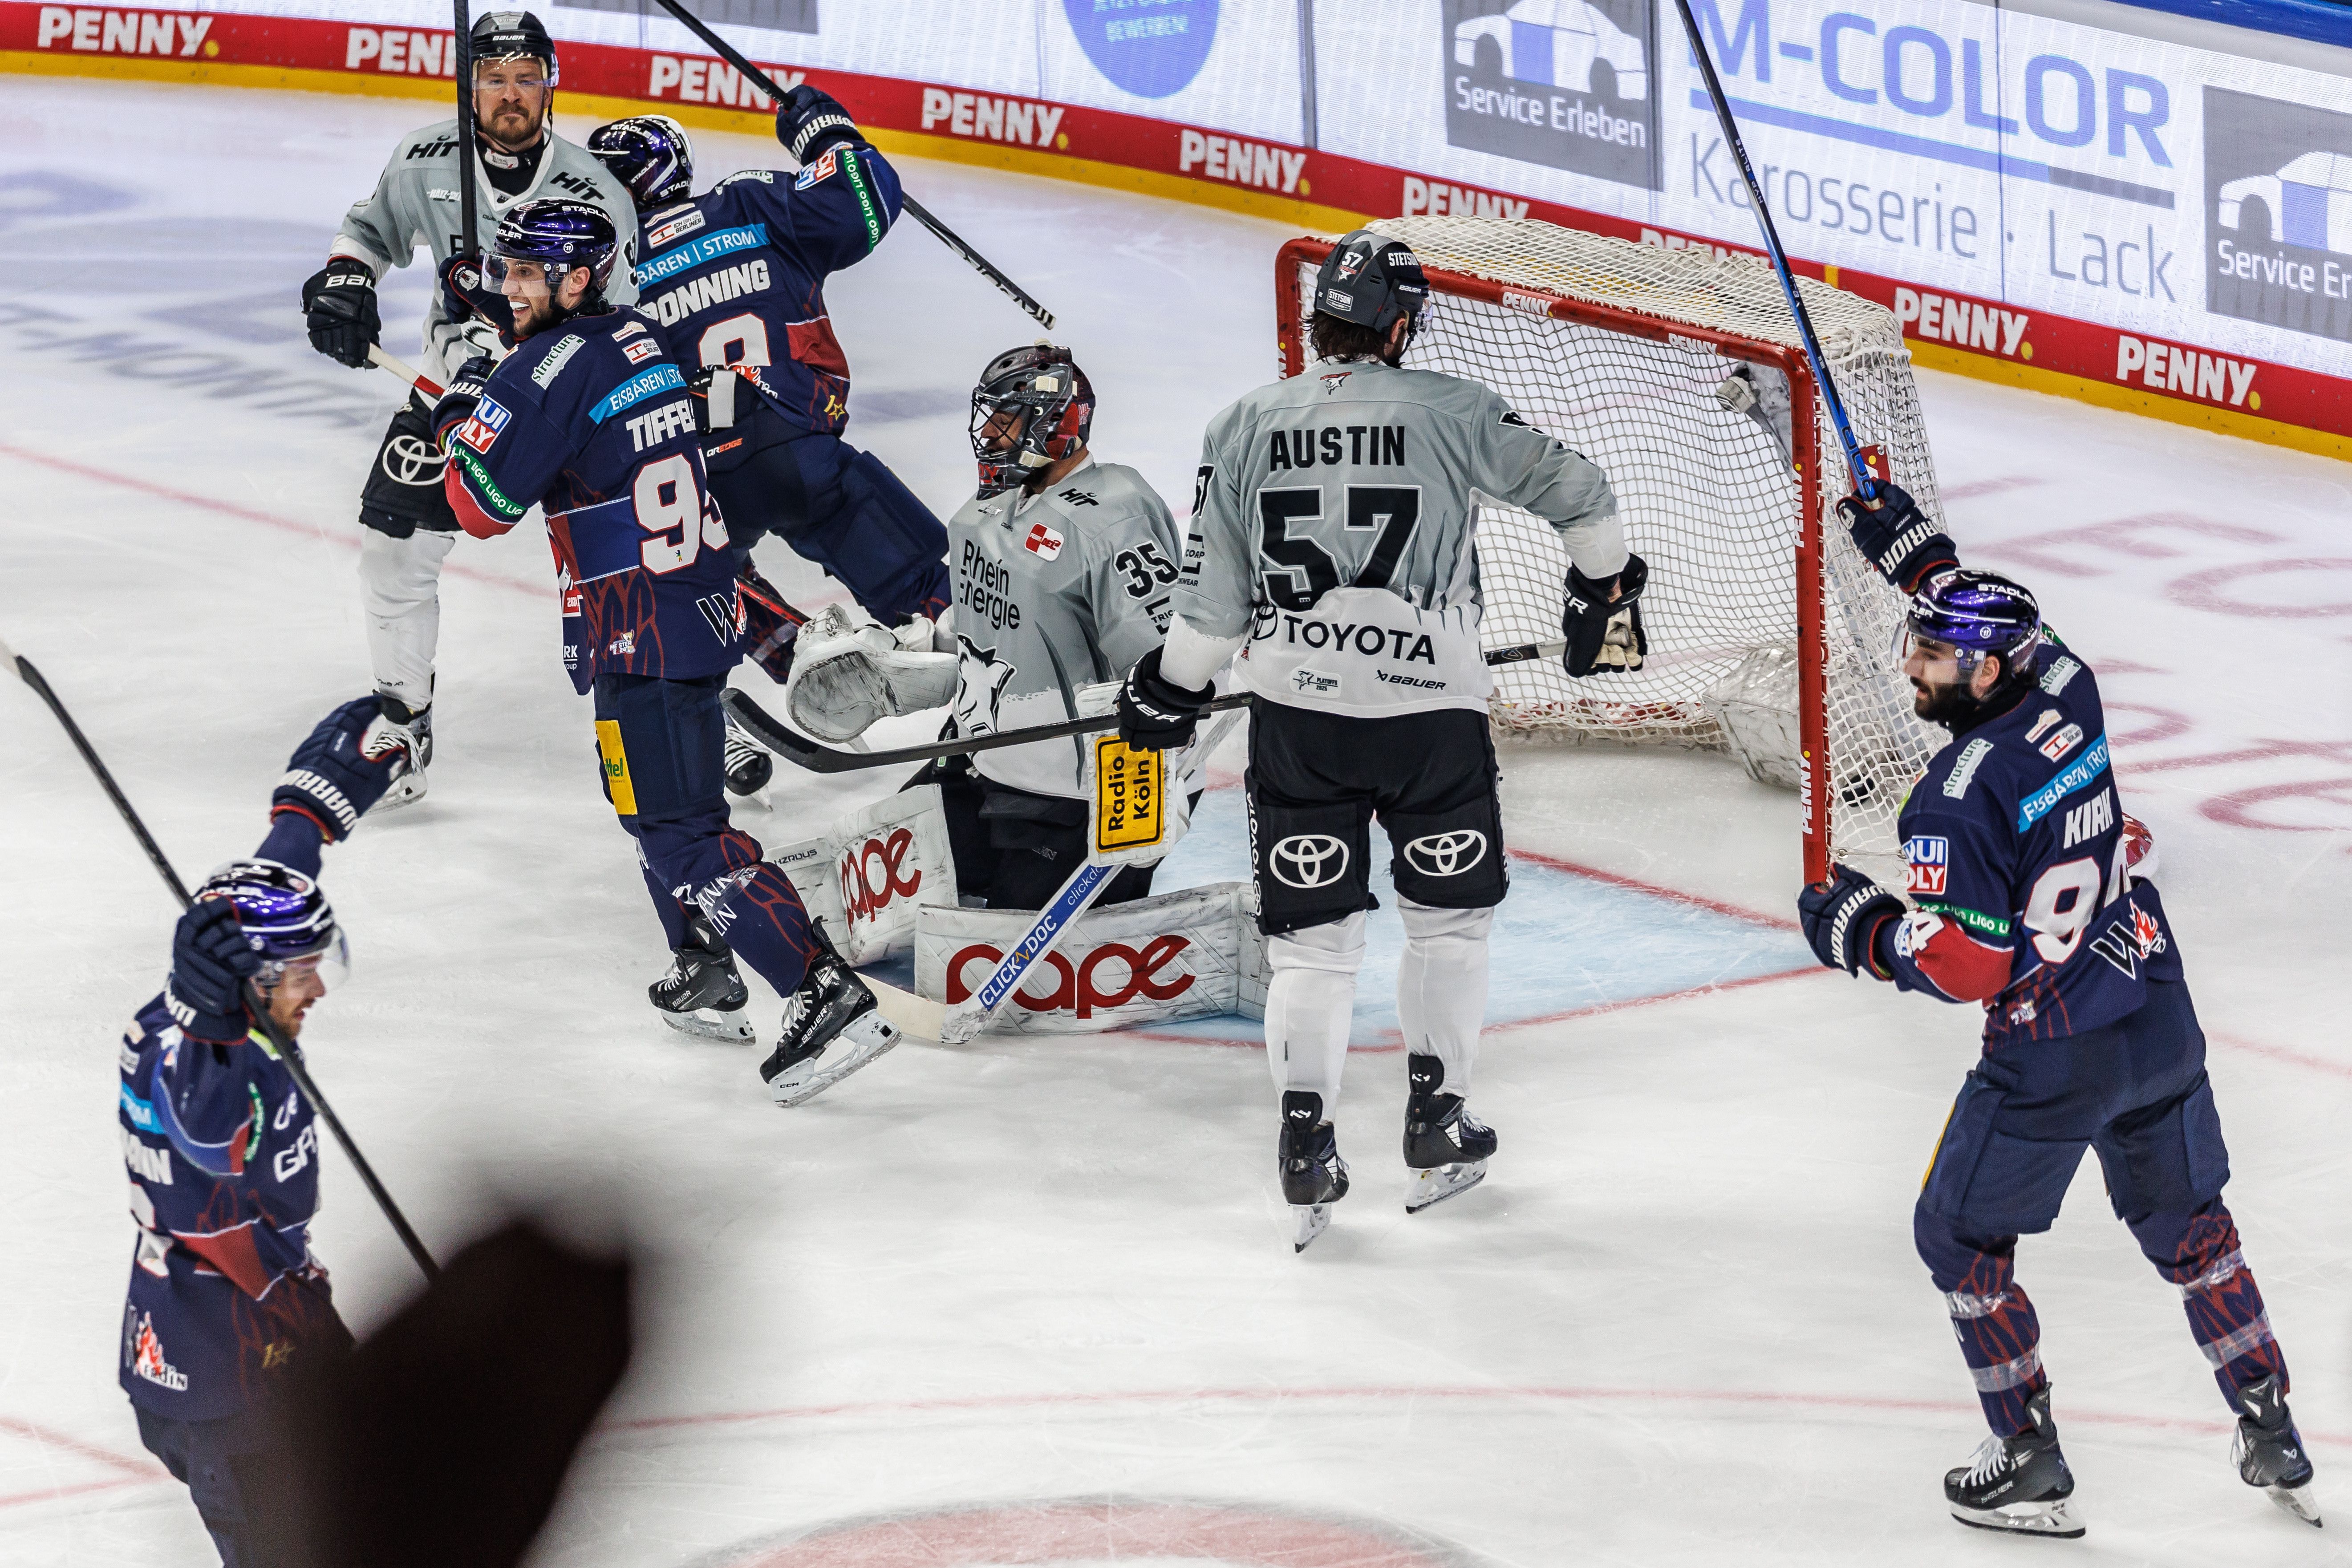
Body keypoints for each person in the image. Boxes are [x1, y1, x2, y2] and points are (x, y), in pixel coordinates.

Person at [1799, 488, 2320, 1536]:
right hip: (2152, 1006)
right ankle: (2266, 1419)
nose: (1910, 665)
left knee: (1953, 1236)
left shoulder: (1950, 795)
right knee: (2192, 1232)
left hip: (2049, 1053)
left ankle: (2026, 1455)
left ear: (1984, 671)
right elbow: (2018, 639)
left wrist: (1860, 931)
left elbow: (1964, 963)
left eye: (1930, 655)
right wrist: (1916, 558)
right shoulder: (2068, 688)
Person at [1114, 230, 1638, 1251]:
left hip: (1296, 724)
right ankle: (1435, 1119)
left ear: (1317, 321)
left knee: (1310, 949)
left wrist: (1166, 690)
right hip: (1429, 720)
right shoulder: (1453, 409)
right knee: (1447, 927)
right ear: (1401, 326)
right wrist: (1600, 586)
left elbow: (1210, 609)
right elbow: (1584, 499)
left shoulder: (1241, 423)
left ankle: (1304, 1139)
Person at [427, 196, 895, 1106]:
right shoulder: (633, 336)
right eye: (508, 270)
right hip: (684, 611)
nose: (507, 285)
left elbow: (476, 507)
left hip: (643, 628)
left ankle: (818, 990)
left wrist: (461, 419)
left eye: (526, 273)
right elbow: (571, 390)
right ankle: (703, 967)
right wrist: (505, 352)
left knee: (680, 832)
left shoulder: (543, 369)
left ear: (573, 279)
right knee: (642, 802)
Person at [300, 11, 639, 807]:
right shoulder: (425, 159)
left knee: (641, 547)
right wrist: (346, 279)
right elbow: (368, 231)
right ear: (469, 88)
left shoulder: (595, 189)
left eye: (526, 79)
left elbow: (622, 322)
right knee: (393, 546)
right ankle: (402, 721)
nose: (510, 96)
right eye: (492, 80)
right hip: (450, 383)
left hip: (568, 395)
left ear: (551, 85)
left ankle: (705, 707)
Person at [118, 697, 414, 1565]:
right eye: (301, 976)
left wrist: (308, 814)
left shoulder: (214, 1015)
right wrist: (215, 1023)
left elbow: (262, 901)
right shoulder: (203, 1075)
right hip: (233, 1389)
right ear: (243, 985)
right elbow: (203, 1116)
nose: (316, 992)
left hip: (266, 1336)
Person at [583, 106, 950, 646]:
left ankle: (793, 656)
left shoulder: (601, 273)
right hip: (796, 447)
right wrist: (822, 128)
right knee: (919, 586)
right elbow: (867, 196)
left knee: (707, 584)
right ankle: (965, 652)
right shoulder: (746, 200)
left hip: (692, 478)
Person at [905, 341, 1185, 908]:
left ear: (1053, 423)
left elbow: (1165, 666)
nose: (988, 436)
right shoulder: (990, 509)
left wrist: (1157, 785)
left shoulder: (1112, 515)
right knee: (902, 882)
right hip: (985, 762)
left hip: (1075, 793)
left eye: (1004, 421)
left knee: (1018, 951)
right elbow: (996, 616)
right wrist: (914, 657)